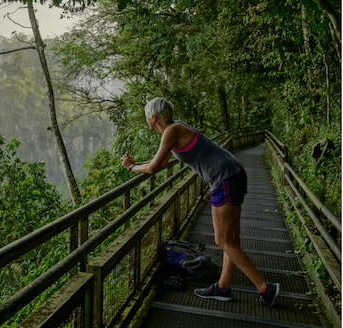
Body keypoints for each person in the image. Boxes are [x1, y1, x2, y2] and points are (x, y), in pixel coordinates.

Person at [120, 97, 280, 306]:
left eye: (146, 117)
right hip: (233, 173)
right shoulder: (174, 129)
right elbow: (161, 162)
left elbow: (151, 169)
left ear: (154, 117)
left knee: (224, 241)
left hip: (224, 179)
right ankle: (223, 287)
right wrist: (135, 164)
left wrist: (131, 168)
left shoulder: (172, 130)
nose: (146, 120)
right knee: (231, 238)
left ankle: (265, 288)